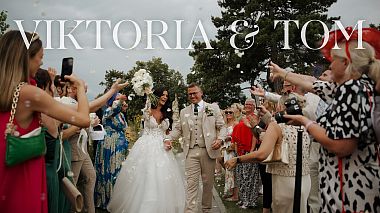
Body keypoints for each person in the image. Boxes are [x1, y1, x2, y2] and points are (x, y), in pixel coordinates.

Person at [270, 27, 380, 212]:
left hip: (349, 190)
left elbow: (342, 145)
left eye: (334, 60)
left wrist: (306, 123)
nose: (329, 66)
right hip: (357, 183)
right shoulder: (360, 86)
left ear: (346, 63)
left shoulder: (352, 89)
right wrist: (283, 73)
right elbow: (313, 84)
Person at [0, 30, 90, 213]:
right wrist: (80, 87)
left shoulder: (7, 90)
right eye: (40, 57)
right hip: (23, 173)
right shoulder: (29, 93)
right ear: (26, 58)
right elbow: (83, 119)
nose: (41, 62)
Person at [225, 94, 312, 213]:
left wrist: (237, 159)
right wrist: (254, 127)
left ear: (280, 106)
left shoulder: (277, 126)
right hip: (305, 180)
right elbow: (264, 135)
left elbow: (262, 154)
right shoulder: (307, 125)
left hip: (284, 181)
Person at [107, 87, 185, 213]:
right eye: (162, 95)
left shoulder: (167, 114)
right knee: (146, 174)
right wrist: (148, 94)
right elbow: (146, 119)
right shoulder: (148, 110)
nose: (165, 97)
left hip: (162, 147)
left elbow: (166, 132)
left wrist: (167, 140)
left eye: (166, 95)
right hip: (146, 145)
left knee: (163, 176)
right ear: (156, 96)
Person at [164, 83, 226, 213]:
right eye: (189, 94)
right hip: (191, 151)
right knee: (191, 184)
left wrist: (220, 139)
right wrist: (168, 138)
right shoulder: (184, 111)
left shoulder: (212, 108)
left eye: (194, 93)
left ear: (201, 93)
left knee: (208, 184)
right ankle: (190, 211)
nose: (192, 96)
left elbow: (222, 127)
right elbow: (178, 129)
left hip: (208, 151)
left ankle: (206, 209)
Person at [94, 93, 129, 209]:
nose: (121, 101)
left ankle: (117, 199)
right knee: (111, 172)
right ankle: (107, 200)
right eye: (117, 98)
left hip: (120, 146)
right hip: (110, 145)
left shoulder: (121, 115)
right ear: (112, 100)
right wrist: (120, 101)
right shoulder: (108, 111)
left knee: (119, 172)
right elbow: (115, 108)